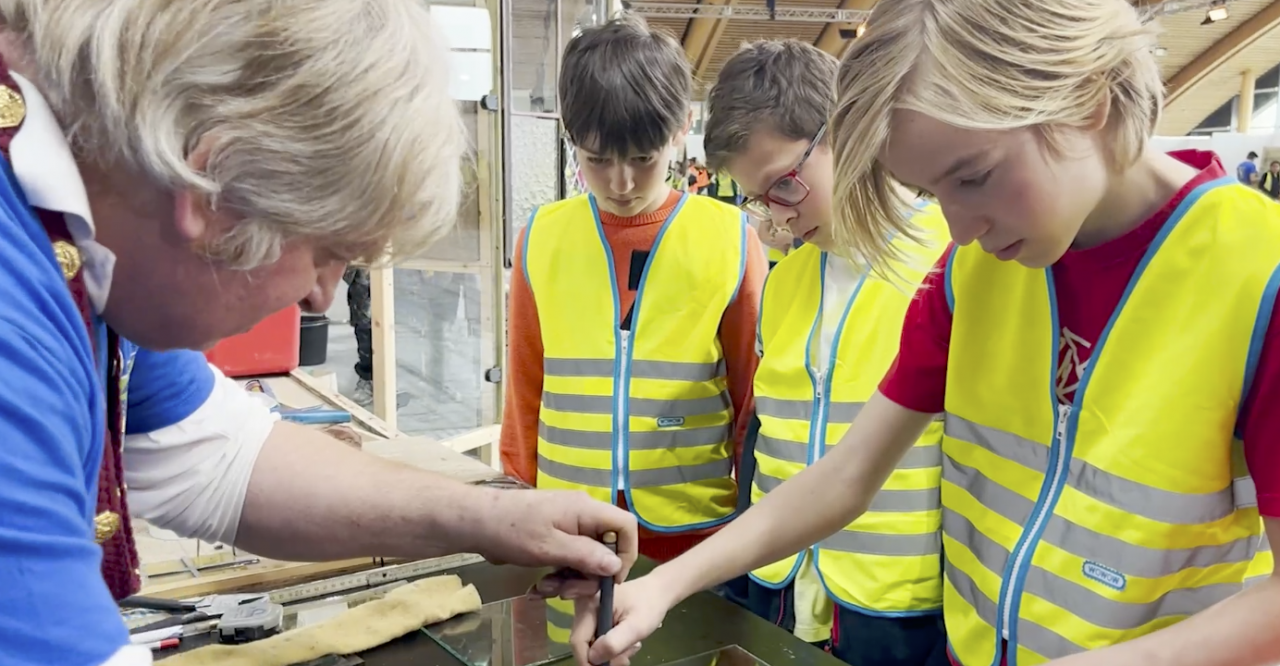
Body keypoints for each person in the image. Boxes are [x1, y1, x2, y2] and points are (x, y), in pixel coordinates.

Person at [568, 2, 1280, 666]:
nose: (961, 228)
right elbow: (848, 475)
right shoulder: (972, 274)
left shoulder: (1257, 278)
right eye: (936, 193)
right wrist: (664, 587)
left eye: (973, 177)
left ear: (1086, 98)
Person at [0, 3, 638, 665]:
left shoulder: (91, 240)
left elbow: (216, 457)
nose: (321, 295)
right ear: (213, 190)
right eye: (328, 251)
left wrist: (490, 518)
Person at [702, 39, 950, 666]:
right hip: (778, 589)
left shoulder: (955, 262)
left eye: (785, 184)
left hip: (898, 610)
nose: (777, 219)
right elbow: (763, 443)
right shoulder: (784, 282)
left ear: (847, 129)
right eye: (758, 199)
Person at [502, 15, 767, 565]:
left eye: (643, 160)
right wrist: (515, 502)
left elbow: (749, 399)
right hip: (566, 524)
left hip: (693, 535)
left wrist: (752, 523)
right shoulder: (542, 238)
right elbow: (525, 390)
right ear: (569, 135)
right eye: (597, 160)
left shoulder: (730, 240)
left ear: (680, 128)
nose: (620, 183)